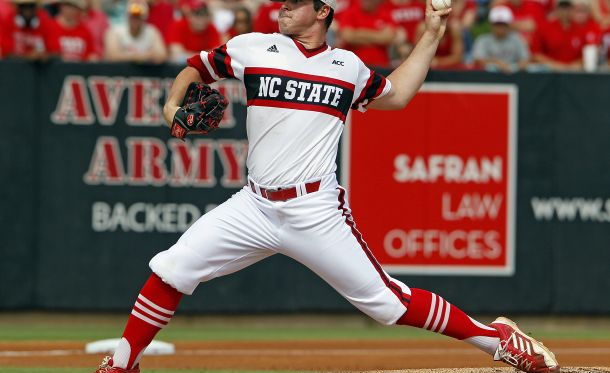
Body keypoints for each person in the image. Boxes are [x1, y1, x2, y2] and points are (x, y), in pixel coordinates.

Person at [92, 0, 560, 373]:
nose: (284, 9)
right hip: (253, 205)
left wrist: (432, 33)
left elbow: (397, 95)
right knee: (172, 269)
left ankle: (497, 339)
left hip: (314, 208)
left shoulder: (346, 65)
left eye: (296, 4)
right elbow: (194, 67)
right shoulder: (253, 46)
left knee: (386, 305)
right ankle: (122, 364)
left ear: (323, 11)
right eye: (283, 3)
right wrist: (172, 106)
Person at [337, 0, 403, 68]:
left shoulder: (386, 13)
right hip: (354, 65)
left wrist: (358, 33)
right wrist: (379, 36)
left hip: (380, 66)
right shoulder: (350, 12)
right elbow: (348, 37)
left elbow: (388, 38)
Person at [472, 5, 530, 72]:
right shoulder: (483, 40)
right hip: (488, 79)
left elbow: (525, 59)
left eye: (503, 24)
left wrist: (516, 67)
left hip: (513, 78)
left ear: (508, 25)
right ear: (491, 25)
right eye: (497, 24)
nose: (500, 28)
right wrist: (497, 63)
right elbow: (477, 60)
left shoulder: (517, 39)